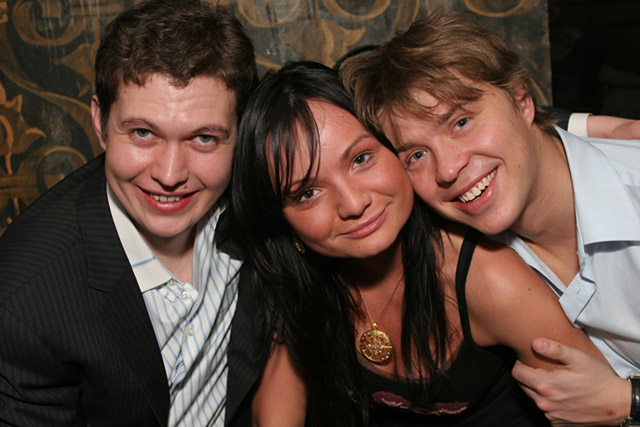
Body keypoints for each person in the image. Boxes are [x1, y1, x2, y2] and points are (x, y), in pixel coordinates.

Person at [229, 61, 607, 426]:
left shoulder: (489, 279)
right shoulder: (297, 284)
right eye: (307, 193)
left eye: (361, 158)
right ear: (283, 222)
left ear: (399, 151)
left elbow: (601, 406)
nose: (353, 203)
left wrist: (582, 124)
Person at [340, 12, 640, 426]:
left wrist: (628, 402)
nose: (447, 169)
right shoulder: (460, 241)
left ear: (522, 101)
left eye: (460, 123)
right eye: (417, 154)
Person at [0, 0, 262, 425]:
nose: (170, 175)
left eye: (204, 138)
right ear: (100, 121)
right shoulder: (25, 302)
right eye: (142, 132)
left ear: (243, 133)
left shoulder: (267, 205)